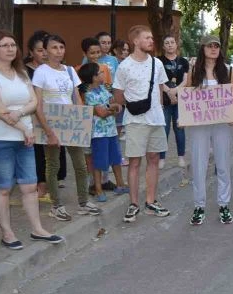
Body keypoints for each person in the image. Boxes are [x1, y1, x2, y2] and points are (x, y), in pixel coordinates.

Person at [0, 31, 63, 249]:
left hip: (25, 138)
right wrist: (21, 126)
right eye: (4, 45)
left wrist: (19, 116)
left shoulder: (21, 73)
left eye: (12, 44)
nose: (10, 49)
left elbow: (33, 101)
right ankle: (7, 233)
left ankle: (37, 229)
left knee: (29, 186)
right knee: (2, 187)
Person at [32, 34, 101, 221]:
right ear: (45, 51)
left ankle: (84, 202)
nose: (58, 51)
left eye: (61, 47)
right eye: (54, 48)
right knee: (53, 165)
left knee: (79, 165)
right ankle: (56, 205)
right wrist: (47, 130)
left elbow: (77, 97)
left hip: (71, 124)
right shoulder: (41, 72)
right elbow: (38, 103)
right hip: (51, 124)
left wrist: (81, 122)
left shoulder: (69, 71)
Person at [113, 25, 171, 223]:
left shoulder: (157, 64)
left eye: (151, 38)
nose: (151, 41)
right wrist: (131, 105)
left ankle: (151, 201)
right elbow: (118, 95)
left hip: (156, 119)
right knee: (135, 162)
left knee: (153, 159)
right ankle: (133, 203)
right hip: (135, 121)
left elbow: (162, 91)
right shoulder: (124, 67)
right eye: (147, 38)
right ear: (135, 41)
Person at [185, 35, 233, 225]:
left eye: (217, 45)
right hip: (200, 125)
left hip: (222, 125)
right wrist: (184, 116)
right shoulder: (193, 71)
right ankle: (199, 206)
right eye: (210, 46)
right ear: (203, 48)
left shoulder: (229, 71)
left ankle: (224, 204)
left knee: (223, 165)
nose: (214, 49)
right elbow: (187, 97)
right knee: (199, 165)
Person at [24, 30, 65, 203]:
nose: (44, 53)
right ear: (31, 52)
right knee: (39, 153)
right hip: (33, 117)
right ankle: (41, 185)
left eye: (45, 49)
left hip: (56, 118)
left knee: (57, 151)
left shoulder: (58, 69)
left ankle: (53, 183)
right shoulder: (25, 71)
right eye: (40, 50)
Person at [77, 63, 126, 203]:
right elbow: (102, 113)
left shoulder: (104, 89)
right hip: (98, 134)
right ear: (93, 77)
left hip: (111, 131)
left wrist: (111, 108)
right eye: (100, 73)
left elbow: (114, 105)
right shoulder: (88, 95)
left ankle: (120, 184)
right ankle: (98, 189)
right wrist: (112, 108)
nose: (103, 74)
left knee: (116, 159)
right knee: (99, 162)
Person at [158, 34, 189, 169]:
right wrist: (168, 92)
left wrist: (175, 90)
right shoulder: (158, 61)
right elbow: (158, 80)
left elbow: (186, 80)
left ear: (176, 45)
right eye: (167, 43)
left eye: (172, 42)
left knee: (179, 129)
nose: (170, 45)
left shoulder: (183, 61)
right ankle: (162, 158)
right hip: (164, 100)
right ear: (163, 46)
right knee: (163, 130)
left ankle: (181, 157)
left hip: (180, 100)